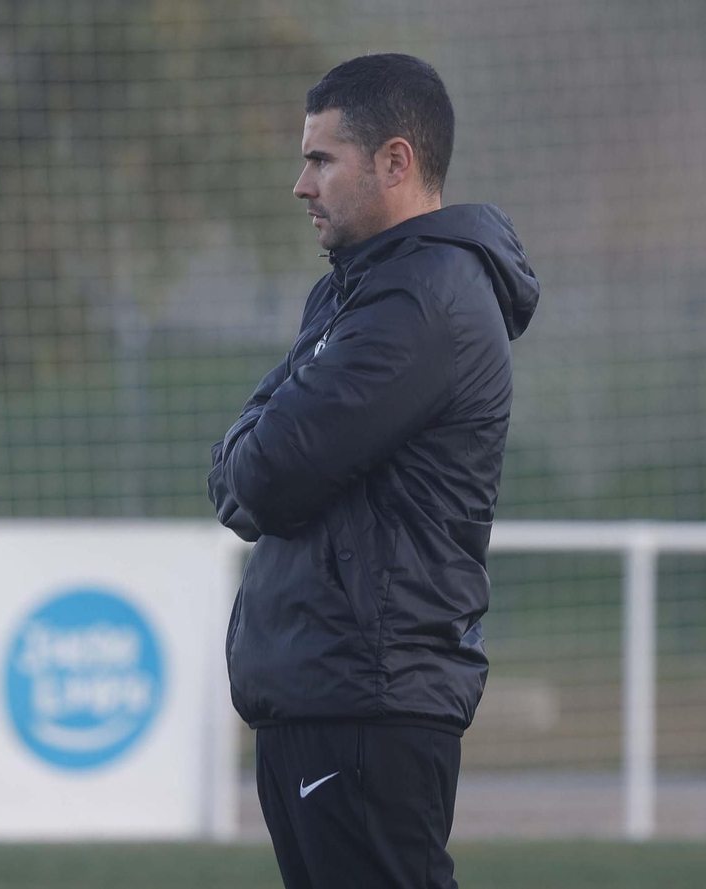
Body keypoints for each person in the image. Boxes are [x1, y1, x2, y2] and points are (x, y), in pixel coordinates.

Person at [207, 53, 539, 889]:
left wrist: (251, 457)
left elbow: (265, 476)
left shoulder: (421, 300)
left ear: (395, 161)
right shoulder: (353, 294)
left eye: (322, 159)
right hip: (325, 693)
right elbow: (236, 475)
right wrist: (250, 457)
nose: (301, 184)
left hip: (367, 699)